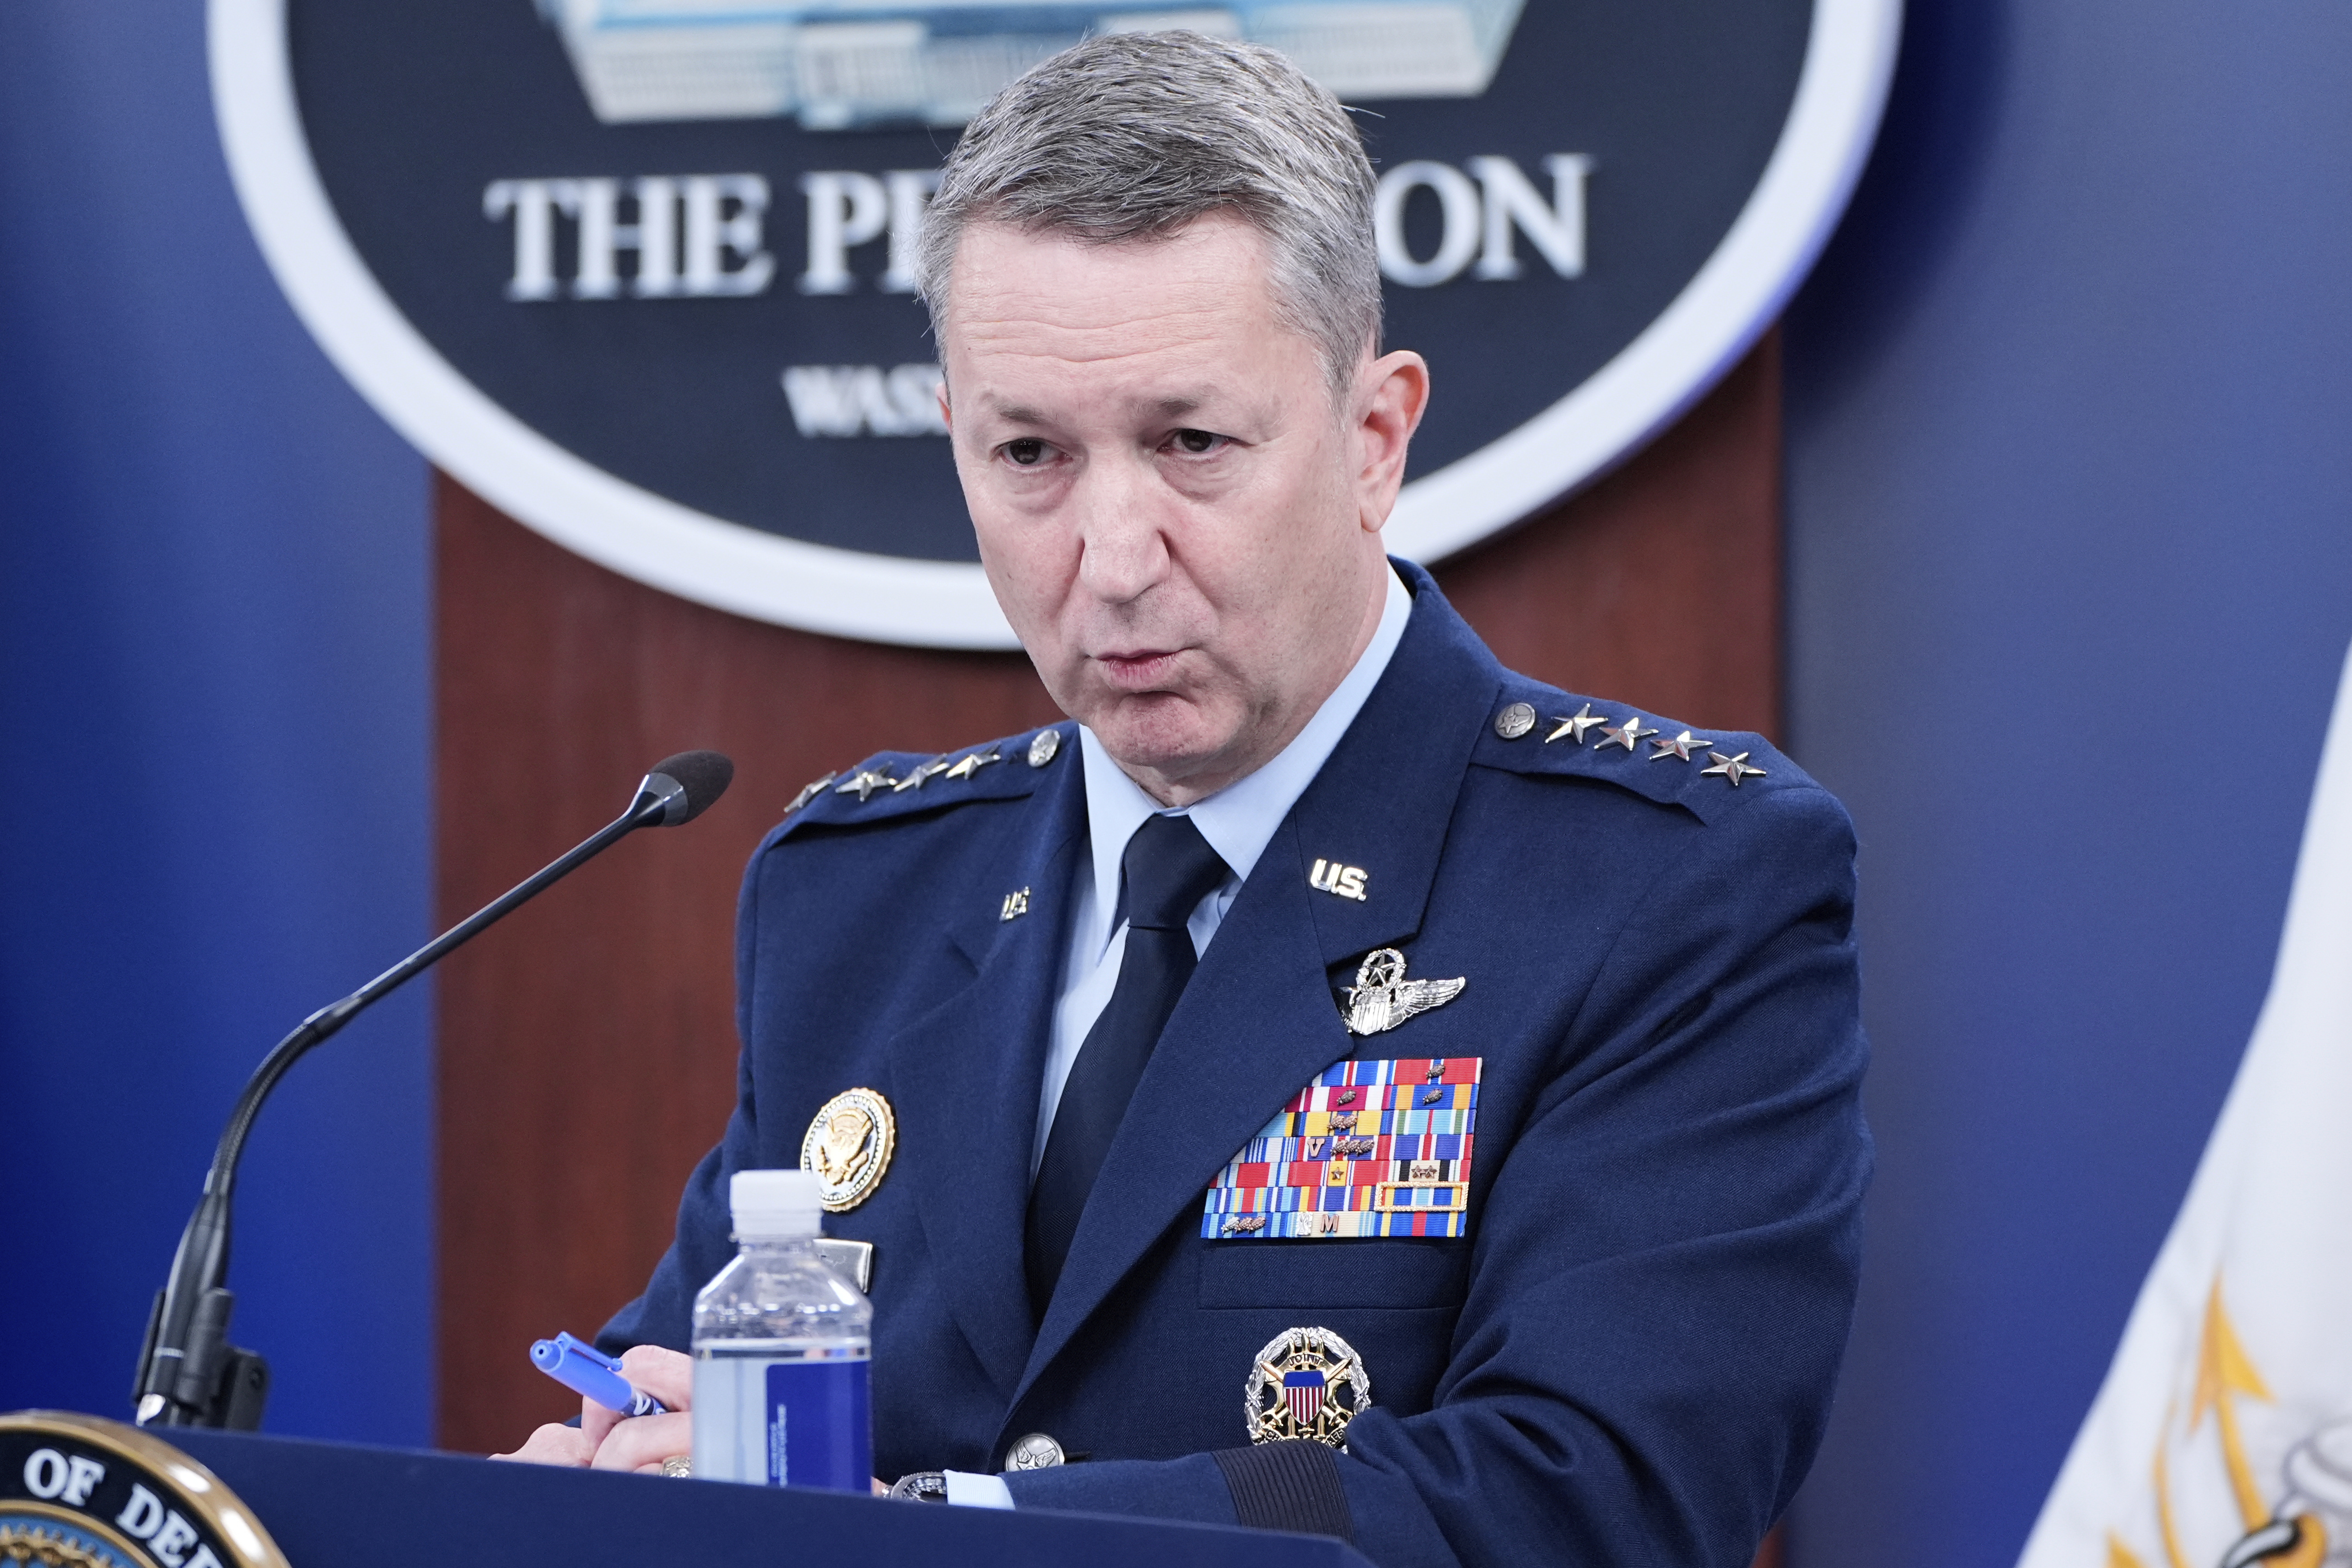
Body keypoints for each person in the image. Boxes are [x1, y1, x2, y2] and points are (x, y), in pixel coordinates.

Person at [500, 30, 1870, 1567]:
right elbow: (707, 1363)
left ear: (1374, 438)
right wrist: (609, 1466)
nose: (1117, 553)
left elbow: (1588, 1490)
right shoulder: (861, 889)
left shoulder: (1669, 882)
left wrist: (944, 1529)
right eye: (1030, 452)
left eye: (1192, 444)